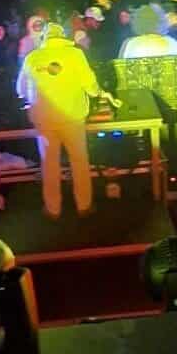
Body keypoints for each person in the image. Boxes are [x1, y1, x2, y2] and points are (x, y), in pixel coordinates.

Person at [15, 31, 112, 218]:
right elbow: (90, 86)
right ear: (63, 37)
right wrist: (98, 93)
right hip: (72, 118)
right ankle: (84, 205)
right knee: (79, 161)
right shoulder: (75, 54)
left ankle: (53, 209)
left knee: (49, 164)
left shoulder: (32, 57)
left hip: (44, 120)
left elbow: (20, 89)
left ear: (45, 39)